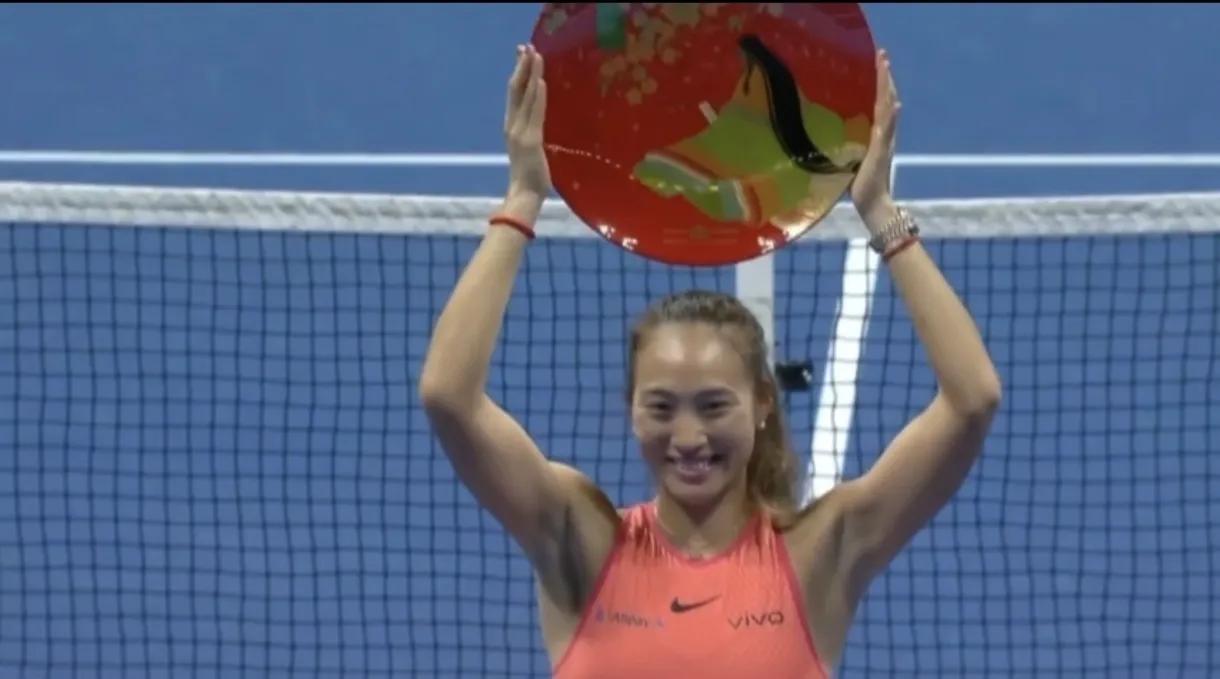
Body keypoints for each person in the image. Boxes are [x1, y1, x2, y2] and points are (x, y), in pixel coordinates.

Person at [419, 43, 1002, 679]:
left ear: (761, 404)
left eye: (714, 405)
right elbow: (449, 396)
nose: (689, 436)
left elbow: (972, 402)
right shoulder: (581, 543)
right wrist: (523, 199)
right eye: (662, 406)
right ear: (631, 411)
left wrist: (881, 215)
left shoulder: (821, 555)